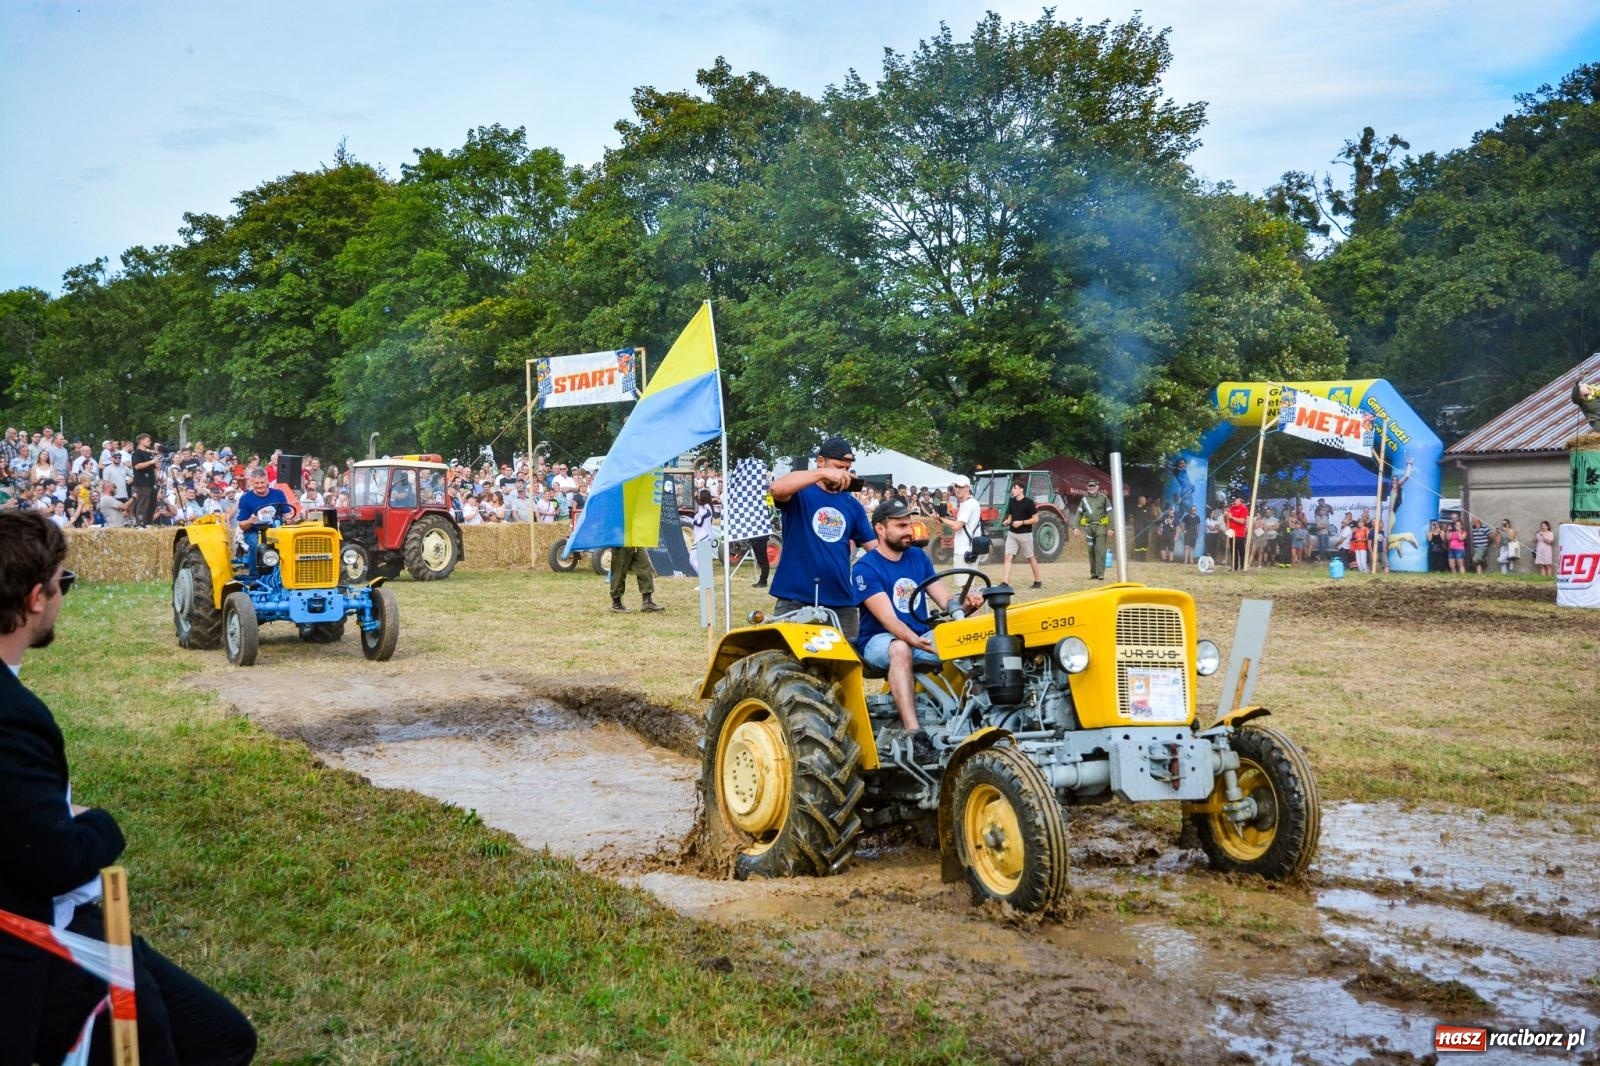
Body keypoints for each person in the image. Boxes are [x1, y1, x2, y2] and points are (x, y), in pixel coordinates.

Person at [0, 512, 257, 1066]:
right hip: (45, 938)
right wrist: (99, 823)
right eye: (63, 583)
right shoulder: (11, 717)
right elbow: (54, 859)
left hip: (64, 919)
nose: (65, 595)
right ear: (35, 597)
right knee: (181, 1045)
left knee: (223, 1037)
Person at [852, 501, 982, 760]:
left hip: (918, 635)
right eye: (901, 526)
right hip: (878, 641)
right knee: (900, 649)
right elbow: (888, 619)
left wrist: (964, 605)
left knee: (972, 639)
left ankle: (979, 719)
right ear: (880, 528)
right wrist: (913, 639)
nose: (908, 531)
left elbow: (944, 599)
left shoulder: (918, 558)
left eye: (909, 524)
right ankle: (915, 734)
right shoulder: (865, 568)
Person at [767, 436, 876, 640]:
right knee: (787, 660)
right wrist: (822, 474)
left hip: (841, 599)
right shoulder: (800, 494)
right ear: (820, 461)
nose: (843, 474)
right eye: (838, 467)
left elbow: (875, 549)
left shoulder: (852, 505)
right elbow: (776, 488)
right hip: (795, 596)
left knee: (847, 664)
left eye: (847, 468)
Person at [235, 469, 296, 573]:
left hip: (277, 530)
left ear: (267, 481)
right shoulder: (246, 498)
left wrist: (289, 519)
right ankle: (255, 576)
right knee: (257, 544)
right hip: (255, 531)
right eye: (257, 483)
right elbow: (242, 525)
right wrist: (250, 521)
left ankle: (288, 572)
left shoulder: (278, 494)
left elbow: (287, 514)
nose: (260, 486)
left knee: (292, 542)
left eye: (262, 482)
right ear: (251, 482)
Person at [1000, 481, 1042, 589]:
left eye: (1015, 488)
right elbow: (1011, 515)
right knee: (1008, 557)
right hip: (1012, 534)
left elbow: (1036, 519)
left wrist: (1021, 522)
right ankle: (1005, 583)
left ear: (1021, 490)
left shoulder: (1029, 502)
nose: (1013, 490)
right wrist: (1007, 521)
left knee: (1030, 557)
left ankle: (1038, 581)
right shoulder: (1011, 501)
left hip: (1025, 534)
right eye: (1012, 488)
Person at [938, 476, 983, 563]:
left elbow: (956, 526)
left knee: (962, 576)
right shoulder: (970, 502)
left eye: (961, 487)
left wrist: (940, 518)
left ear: (968, 488)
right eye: (956, 486)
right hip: (968, 549)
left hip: (965, 550)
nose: (957, 489)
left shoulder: (968, 504)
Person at [609, 542, 663, 613]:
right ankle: (616, 603)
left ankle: (647, 602)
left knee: (644, 565)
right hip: (622, 539)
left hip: (636, 538)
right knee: (619, 570)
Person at [1076, 479, 1113, 579]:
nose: (1091, 488)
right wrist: (1075, 527)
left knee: (1100, 550)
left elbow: (1110, 513)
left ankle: (1101, 574)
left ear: (1097, 487)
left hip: (1100, 527)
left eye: (1093, 486)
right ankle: (1094, 573)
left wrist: (1111, 528)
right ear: (1087, 487)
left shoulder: (1103, 498)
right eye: (1089, 486)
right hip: (1089, 528)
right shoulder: (1084, 499)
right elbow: (1079, 513)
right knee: (1091, 550)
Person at [128, 433, 160, 527]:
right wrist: (151, 461)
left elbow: (153, 468)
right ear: (141, 441)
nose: (149, 442)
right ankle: (140, 523)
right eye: (147, 440)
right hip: (142, 483)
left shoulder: (149, 453)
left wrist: (157, 478)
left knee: (152, 504)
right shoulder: (137, 453)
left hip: (151, 482)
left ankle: (148, 522)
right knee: (143, 503)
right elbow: (137, 466)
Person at [1226, 495, 1248, 571]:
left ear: (1239, 500)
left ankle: (1242, 566)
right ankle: (1234, 566)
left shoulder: (1243, 508)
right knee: (1233, 551)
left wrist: (1232, 518)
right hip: (1232, 533)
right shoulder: (1231, 508)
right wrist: (1228, 529)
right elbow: (1228, 520)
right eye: (1233, 499)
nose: (1234, 501)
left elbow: (1242, 521)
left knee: (1241, 551)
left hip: (1240, 533)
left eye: (1235, 499)